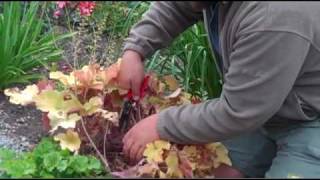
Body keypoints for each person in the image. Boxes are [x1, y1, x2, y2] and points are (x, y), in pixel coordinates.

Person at [117, 1, 320, 178]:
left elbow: (237, 112)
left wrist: (160, 125)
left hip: (311, 118)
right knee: (211, 171)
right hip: (265, 105)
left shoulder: (275, 16)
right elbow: (177, 6)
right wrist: (135, 49)